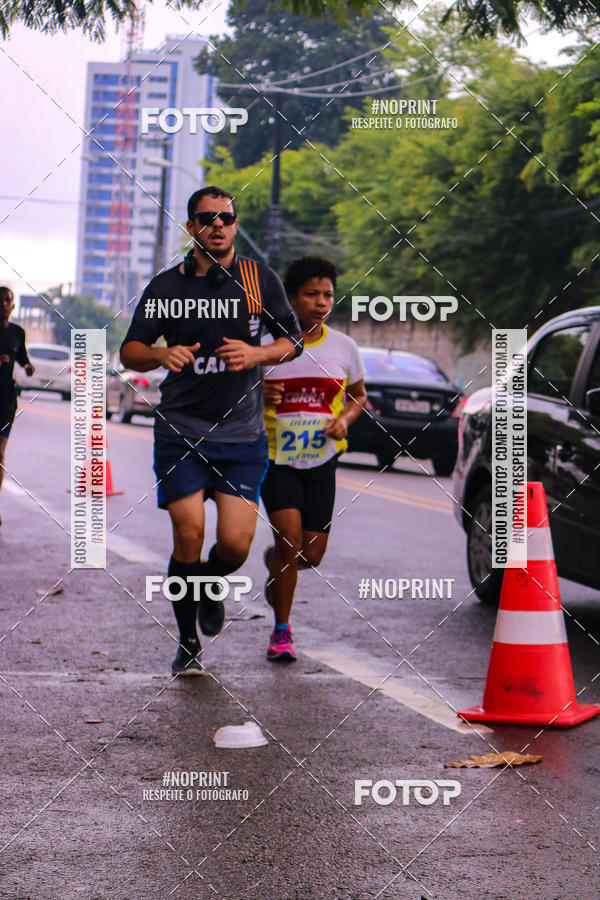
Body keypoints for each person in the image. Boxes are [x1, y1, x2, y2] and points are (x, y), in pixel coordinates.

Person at [120, 186, 303, 675]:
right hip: (181, 430)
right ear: (191, 227)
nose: (218, 225)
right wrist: (160, 354)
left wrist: (259, 354)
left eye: (226, 217)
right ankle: (187, 644)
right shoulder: (166, 287)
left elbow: (293, 339)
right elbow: (130, 351)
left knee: (236, 545)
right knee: (188, 533)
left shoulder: (257, 279)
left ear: (235, 224)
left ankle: (207, 582)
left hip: (241, 438)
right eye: (207, 218)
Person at [261, 257, 367, 661]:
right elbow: (237, 388)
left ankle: (274, 564)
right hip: (277, 460)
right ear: (291, 298)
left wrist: (345, 419)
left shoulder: (344, 347)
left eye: (327, 295)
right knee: (290, 544)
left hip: (322, 461)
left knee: (310, 555)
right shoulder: (270, 346)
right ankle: (282, 633)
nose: (321, 302)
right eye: (311, 294)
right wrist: (259, 393)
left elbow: (359, 396)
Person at [0, 287, 35, 524]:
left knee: (0, 453)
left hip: (5, 400)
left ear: (13, 306)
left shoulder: (17, 333)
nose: (3, 304)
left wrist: (29, 367)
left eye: (7, 300)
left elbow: (23, 358)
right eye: (0, 300)